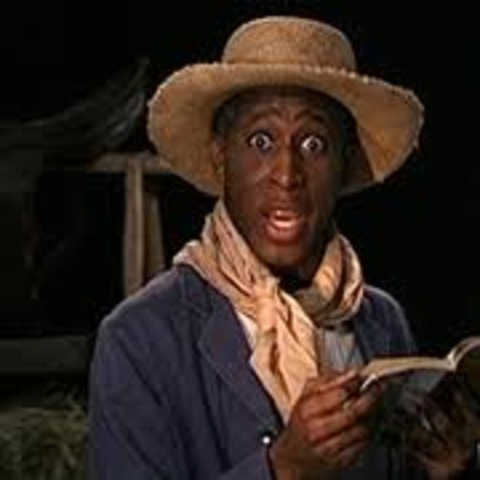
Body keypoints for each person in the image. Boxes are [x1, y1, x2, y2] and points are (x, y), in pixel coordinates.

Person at [87, 15, 479, 480]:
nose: (287, 174)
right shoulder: (140, 338)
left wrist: (446, 470)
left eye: (314, 144)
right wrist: (283, 468)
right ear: (220, 155)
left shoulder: (380, 322)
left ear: (345, 163)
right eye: (261, 141)